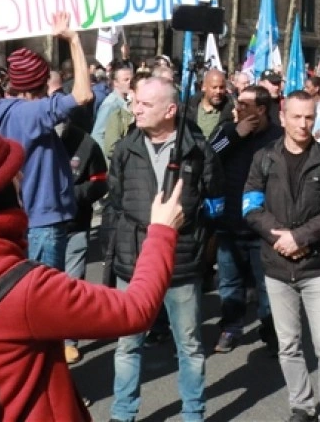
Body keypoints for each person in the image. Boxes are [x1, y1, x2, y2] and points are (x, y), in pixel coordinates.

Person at [0, 114, 187, 422]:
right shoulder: (24, 287)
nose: (22, 177)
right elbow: (135, 309)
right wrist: (161, 232)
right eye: (13, 171)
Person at [103, 77, 217, 422]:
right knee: (127, 345)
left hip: (181, 263)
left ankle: (193, 412)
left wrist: (194, 223)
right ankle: (123, 412)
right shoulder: (125, 148)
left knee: (190, 345)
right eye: (135, 102)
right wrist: (119, 247)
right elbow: (116, 202)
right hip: (134, 263)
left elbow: (215, 197)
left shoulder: (197, 149)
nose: (135, 109)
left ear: (170, 110)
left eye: (145, 104)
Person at [243, 91, 320, 422]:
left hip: (317, 267)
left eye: (309, 117)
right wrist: (282, 239)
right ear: (282, 117)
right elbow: (250, 205)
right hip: (277, 267)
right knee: (288, 345)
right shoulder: (264, 157)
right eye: (297, 116)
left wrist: (300, 237)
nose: (303, 124)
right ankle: (301, 406)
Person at [0, 12, 93, 269]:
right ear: (41, 82)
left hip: (21, 218)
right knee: (45, 301)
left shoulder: (1, 111)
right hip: (41, 222)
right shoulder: (31, 113)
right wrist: (74, 41)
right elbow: (83, 94)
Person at [210, 84, 283, 354]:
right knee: (229, 281)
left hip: (263, 226)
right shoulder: (226, 131)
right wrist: (234, 136)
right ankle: (231, 328)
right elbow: (208, 155)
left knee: (266, 285)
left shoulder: (278, 137)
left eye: (244, 105)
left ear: (262, 110)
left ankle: (270, 330)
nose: (236, 109)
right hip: (229, 221)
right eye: (237, 104)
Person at [57, 108, 108, 365]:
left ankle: (69, 341)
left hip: (75, 225)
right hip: (38, 229)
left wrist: (72, 197)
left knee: (72, 284)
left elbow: (100, 181)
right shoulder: (31, 139)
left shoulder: (87, 144)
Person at [93, 64, 135, 156]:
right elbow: (97, 134)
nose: (130, 83)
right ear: (116, 83)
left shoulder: (127, 100)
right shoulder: (111, 104)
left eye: (131, 79)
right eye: (126, 80)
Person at [187, 69, 234, 141]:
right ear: (204, 87)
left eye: (221, 87)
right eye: (214, 87)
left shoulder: (230, 112)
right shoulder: (189, 109)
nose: (218, 91)